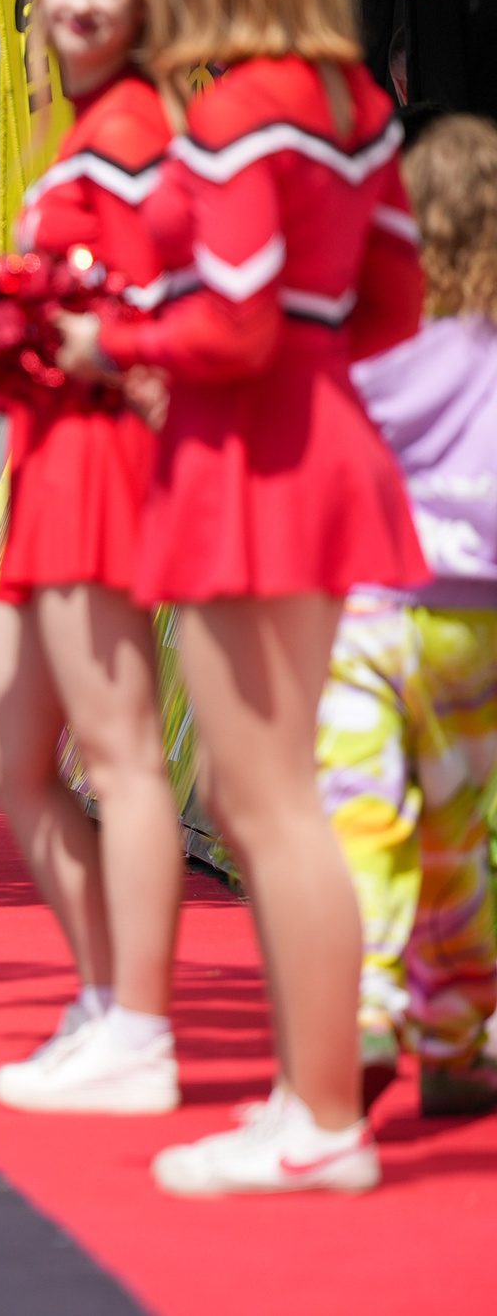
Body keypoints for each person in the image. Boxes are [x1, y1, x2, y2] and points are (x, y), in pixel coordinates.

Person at [63, 0, 427, 1196]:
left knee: (264, 794)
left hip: (247, 460)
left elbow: (227, 323)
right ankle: (310, 1095)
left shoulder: (236, 114)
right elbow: (391, 297)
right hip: (327, 443)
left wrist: (112, 336)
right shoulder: (357, 100)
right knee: (276, 794)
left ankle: (319, 1107)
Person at [0, 0, 189, 1117]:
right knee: (5, 750)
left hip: (104, 470)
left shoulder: (134, 131)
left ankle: (139, 1024)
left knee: (122, 758)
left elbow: (166, 315)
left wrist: (77, 339)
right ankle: (105, 999)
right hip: (46, 467)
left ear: (144, 6)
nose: (77, 3)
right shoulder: (79, 128)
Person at [308, 111, 497, 1117]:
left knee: (364, 813)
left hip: (373, 610)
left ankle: (369, 1003)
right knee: (461, 837)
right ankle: (459, 1040)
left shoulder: (385, 349)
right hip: (478, 628)